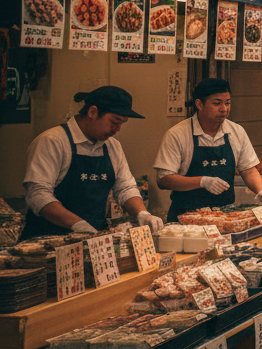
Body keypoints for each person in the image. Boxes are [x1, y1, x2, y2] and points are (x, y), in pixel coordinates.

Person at [22, 86, 161, 238]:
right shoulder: (53, 141)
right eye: (114, 121)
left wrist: (142, 213)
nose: (117, 129)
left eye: (122, 123)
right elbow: (38, 195)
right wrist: (78, 225)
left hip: (96, 237)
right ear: (92, 112)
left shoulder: (113, 146)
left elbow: (125, 188)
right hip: (49, 238)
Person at [155, 79, 262, 221]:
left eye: (227, 103)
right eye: (217, 103)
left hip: (226, 217)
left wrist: (261, 191)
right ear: (199, 104)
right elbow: (164, 179)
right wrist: (202, 181)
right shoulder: (177, 134)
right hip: (185, 218)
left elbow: (248, 169)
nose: (224, 109)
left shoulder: (236, 131)